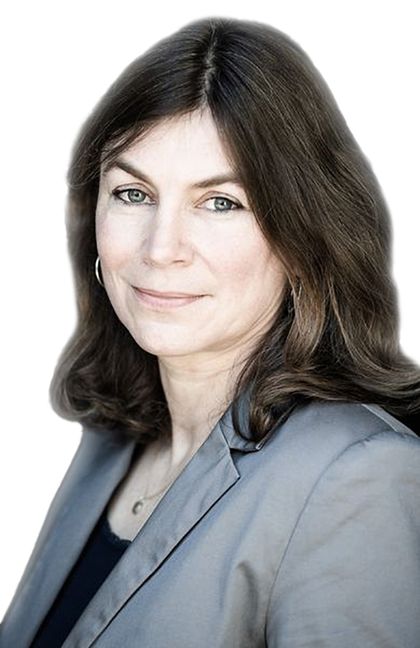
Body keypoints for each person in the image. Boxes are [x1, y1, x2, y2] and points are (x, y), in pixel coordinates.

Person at [1, 15, 420, 648]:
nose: (160, 248)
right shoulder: (112, 442)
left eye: (220, 202)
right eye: (133, 193)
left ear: (302, 237)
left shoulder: (359, 480)